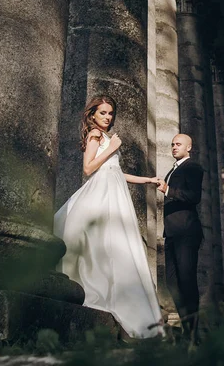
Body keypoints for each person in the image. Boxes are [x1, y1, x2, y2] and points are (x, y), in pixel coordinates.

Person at [54, 95, 164, 339]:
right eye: (102, 112)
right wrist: (112, 148)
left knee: (116, 244)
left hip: (115, 191)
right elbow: (89, 168)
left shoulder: (105, 137)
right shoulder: (95, 135)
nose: (107, 117)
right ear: (92, 114)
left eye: (110, 113)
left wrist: (146, 179)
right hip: (99, 193)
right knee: (98, 242)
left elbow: (116, 172)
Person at [156, 134, 204, 342]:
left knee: (187, 281)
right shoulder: (172, 170)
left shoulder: (193, 167)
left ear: (189, 147)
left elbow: (194, 196)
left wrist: (168, 190)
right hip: (172, 233)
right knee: (172, 282)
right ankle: (188, 327)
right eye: (172, 144)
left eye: (178, 144)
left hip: (186, 231)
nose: (174, 147)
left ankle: (193, 332)